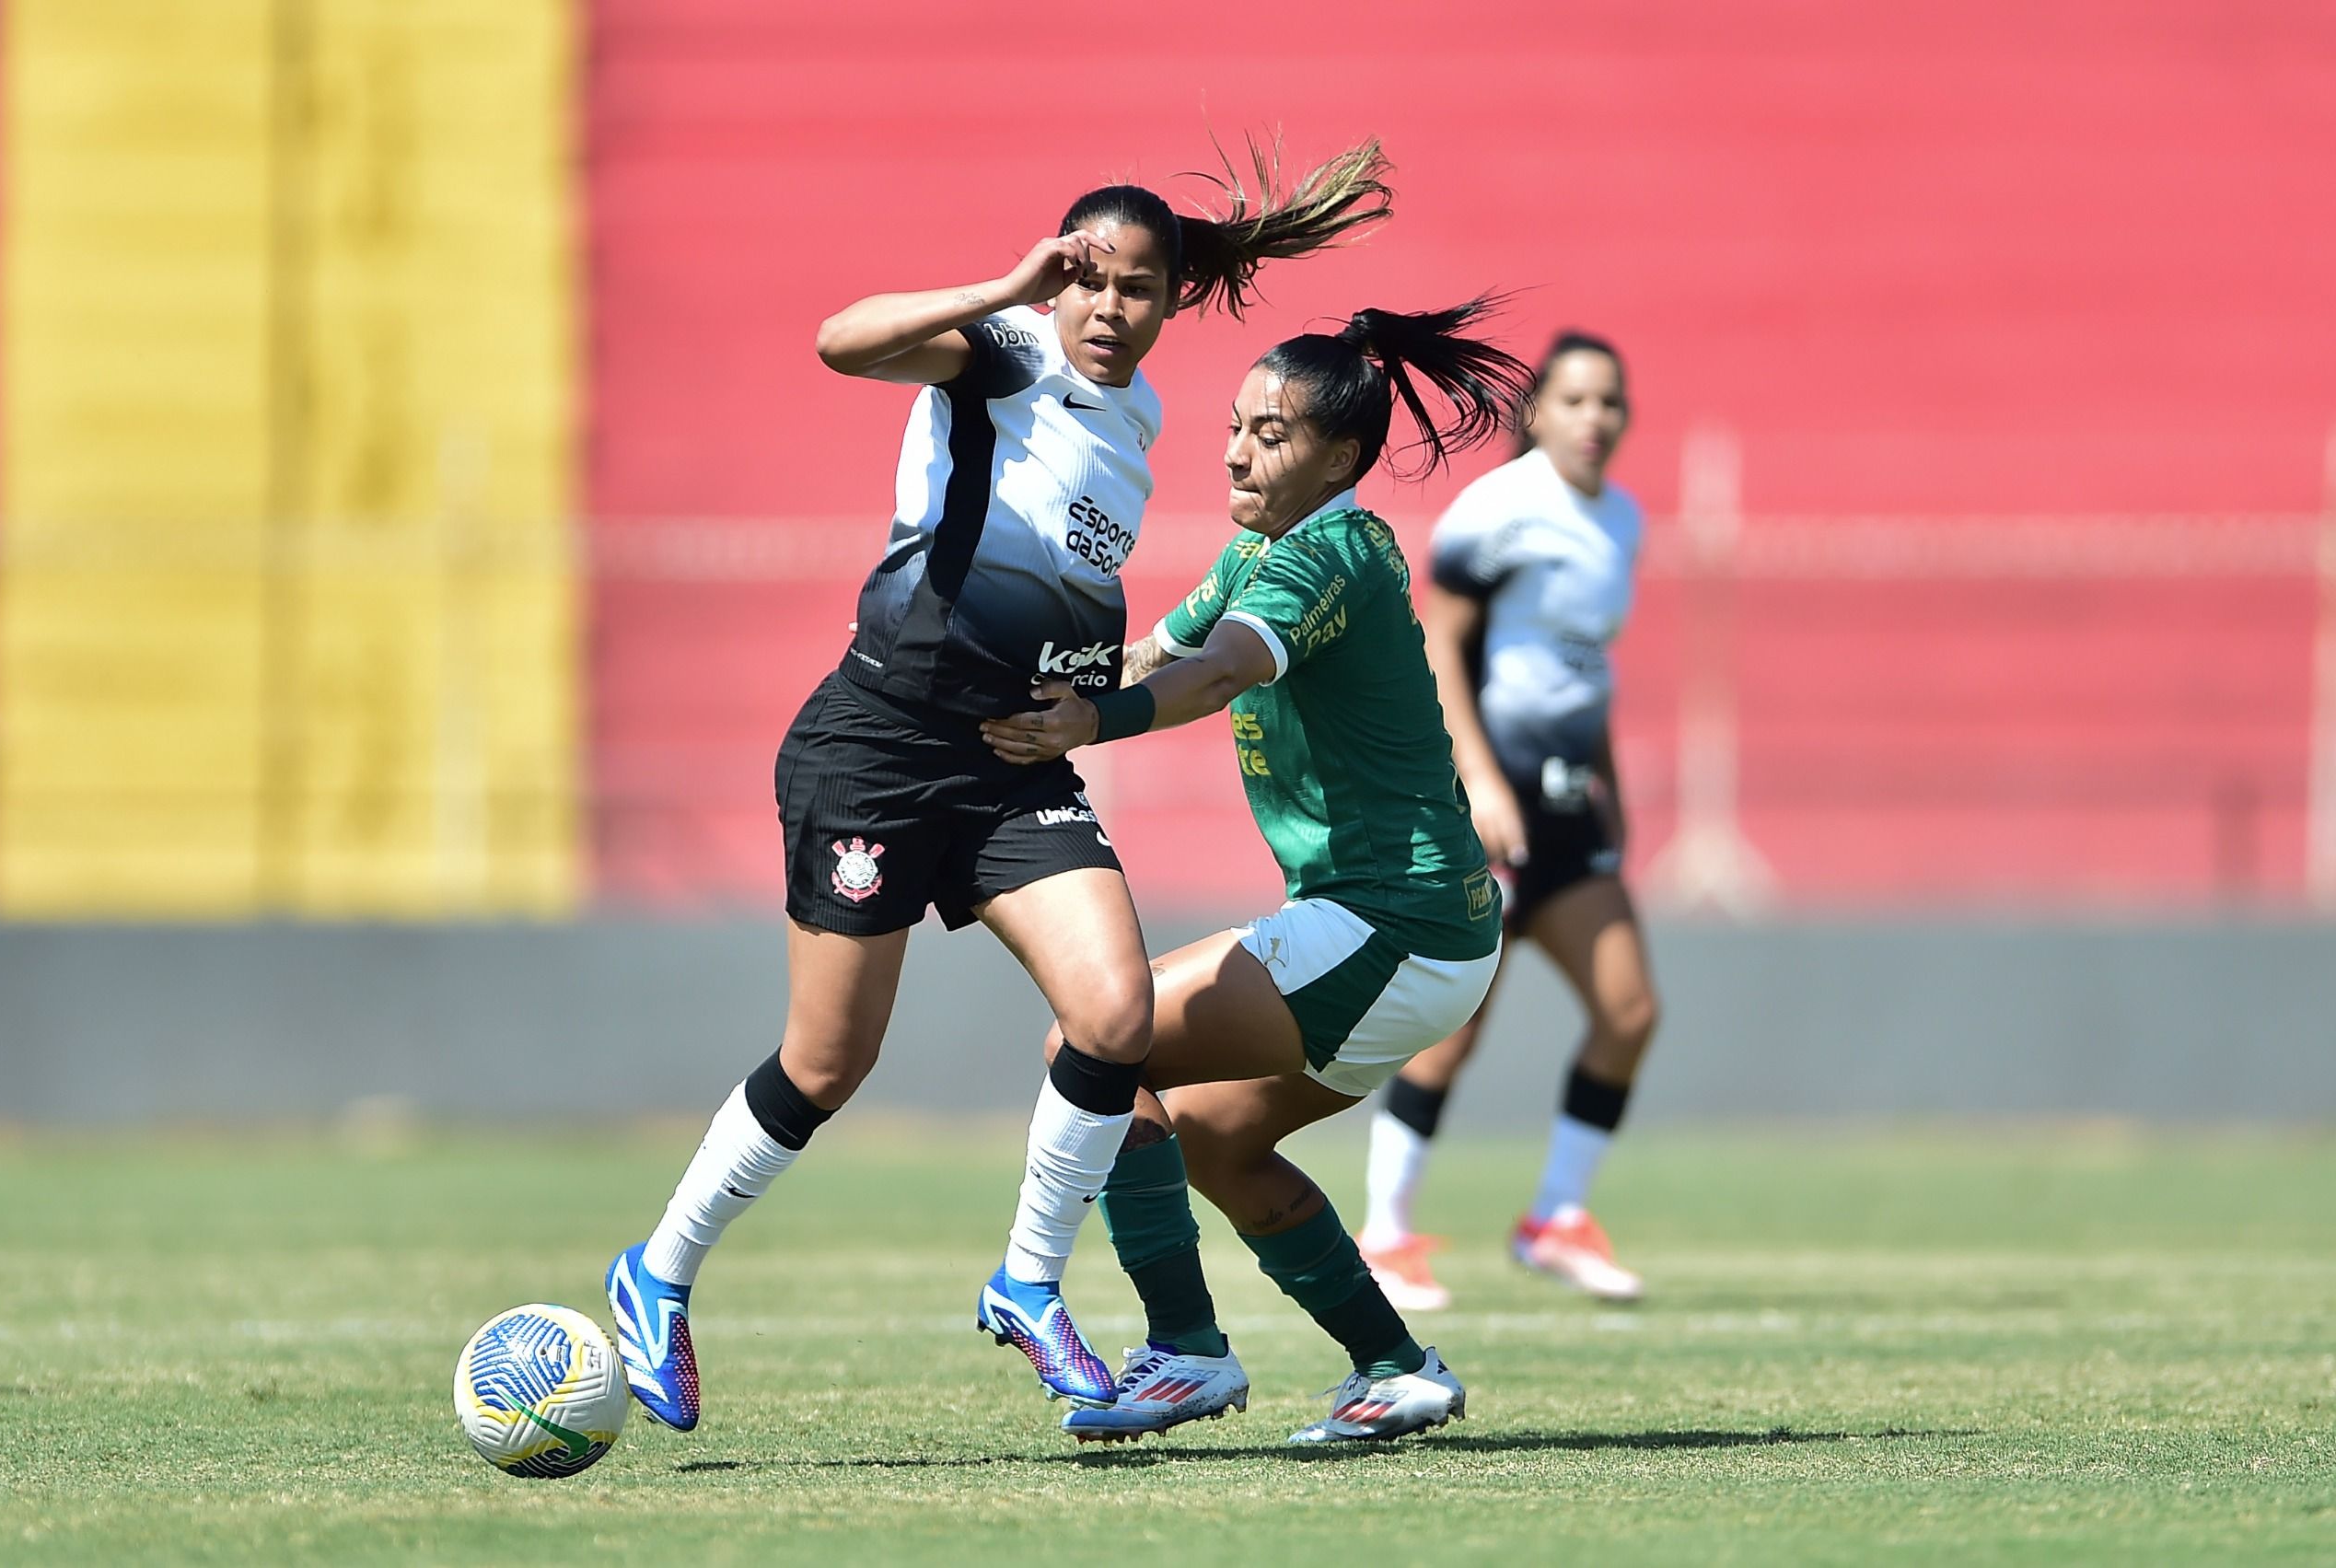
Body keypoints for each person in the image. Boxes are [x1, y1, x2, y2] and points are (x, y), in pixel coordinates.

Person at [605, 142, 1393, 1431]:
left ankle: (1029, 1279)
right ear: (1053, 279)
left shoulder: (1136, 419)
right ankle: (658, 1268)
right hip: (878, 742)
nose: (1106, 306)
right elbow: (838, 342)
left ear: (1171, 302)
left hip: (1015, 760)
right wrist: (1002, 285)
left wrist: (1098, 689)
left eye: (1138, 287)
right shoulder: (1003, 351)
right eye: (1086, 278)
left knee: (1116, 1009)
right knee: (827, 1060)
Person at [978, 298, 1533, 1443]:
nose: (1235, 448)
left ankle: (1182, 1350)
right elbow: (1160, 651)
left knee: (1096, 1033)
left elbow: (1223, 669)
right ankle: (1395, 1365)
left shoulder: (1324, 551)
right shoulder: (1264, 549)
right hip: (1422, 937)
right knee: (1215, 1134)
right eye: (1235, 424)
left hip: (1393, 925)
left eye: (1271, 434)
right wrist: (1029, 693)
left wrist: (1092, 721)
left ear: (1339, 455)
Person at [1354, 330, 1657, 1309]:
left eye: (1609, 401)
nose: (1594, 419)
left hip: (1569, 809)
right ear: (1535, 414)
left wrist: (1613, 788)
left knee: (1628, 1011)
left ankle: (1554, 1215)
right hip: (1488, 804)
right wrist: (1477, 782)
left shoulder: (1623, 523)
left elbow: (1586, 671)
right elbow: (1438, 645)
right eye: (1574, 400)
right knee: (1455, 1028)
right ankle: (1384, 1234)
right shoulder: (1498, 510)